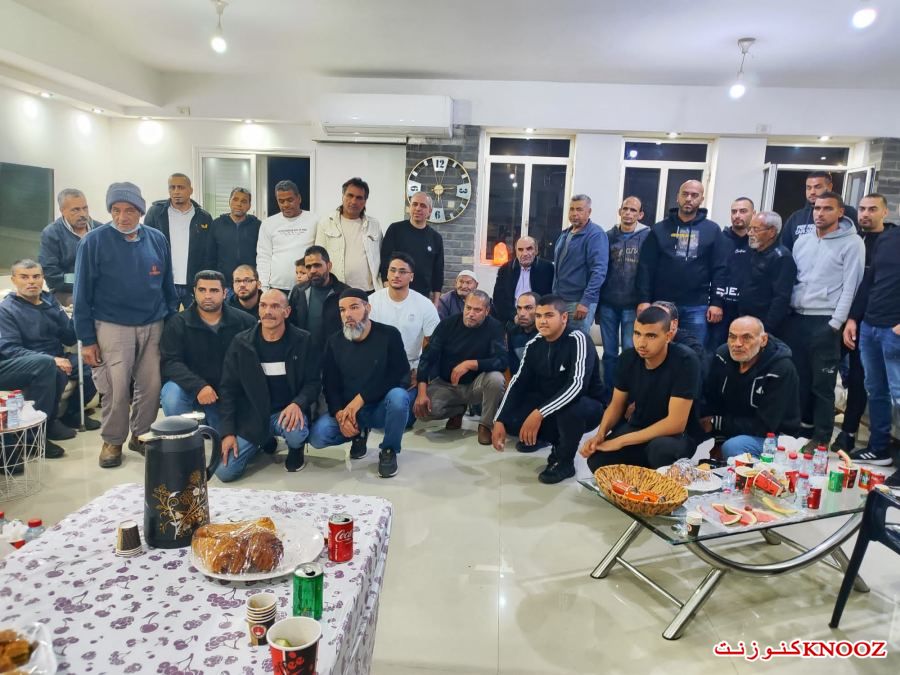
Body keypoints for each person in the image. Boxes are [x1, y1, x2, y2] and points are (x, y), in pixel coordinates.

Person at [73, 182, 178, 468]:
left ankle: (141, 435)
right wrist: (87, 340)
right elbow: (81, 295)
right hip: (112, 326)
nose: (122, 217)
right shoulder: (93, 242)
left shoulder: (157, 239)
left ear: (141, 211)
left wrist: (170, 322)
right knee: (116, 389)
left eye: (129, 210)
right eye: (116, 210)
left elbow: (167, 285)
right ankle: (113, 440)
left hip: (153, 324)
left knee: (151, 386)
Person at [493, 295, 606, 484]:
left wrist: (538, 414)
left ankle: (564, 461)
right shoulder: (534, 344)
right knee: (511, 417)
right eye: (538, 316)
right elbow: (518, 382)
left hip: (587, 405)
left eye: (549, 315)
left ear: (564, 318)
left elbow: (577, 386)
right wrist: (499, 419)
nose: (542, 321)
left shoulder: (578, 339)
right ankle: (545, 439)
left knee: (571, 411)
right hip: (550, 402)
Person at [783, 192, 864, 452]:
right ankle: (799, 430)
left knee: (823, 384)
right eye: (817, 208)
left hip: (826, 319)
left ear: (840, 212)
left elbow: (851, 287)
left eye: (827, 208)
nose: (820, 213)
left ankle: (821, 436)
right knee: (799, 380)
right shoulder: (803, 241)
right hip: (798, 317)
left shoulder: (852, 243)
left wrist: (835, 323)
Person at [580, 306, 702, 471]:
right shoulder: (627, 358)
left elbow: (676, 424)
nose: (641, 343)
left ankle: (661, 477)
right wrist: (600, 435)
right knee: (598, 460)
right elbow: (616, 405)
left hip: (678, 436)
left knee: (659, 451)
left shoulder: (686, 360)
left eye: (651, 336)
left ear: (668, 336)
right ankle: (643, 474)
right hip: (640, 425)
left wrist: (621, 440)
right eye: (637, 334)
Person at [0, 259, 100, 456]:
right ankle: (33, 437)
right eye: (24, 277)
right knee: (50, 367)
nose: (31, 282)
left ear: (43, 278)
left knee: (91, 362)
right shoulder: (6, 310)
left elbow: (69, 337)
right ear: (13, 280)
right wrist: (52, 360)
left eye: (36, 276)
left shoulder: (49, 301)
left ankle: (71, 414)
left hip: (54, 357)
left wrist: (80, 316)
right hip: (20, 362)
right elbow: (10, 349)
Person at [217, 290, 320, 480]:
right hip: (253, 416)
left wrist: (298, 403)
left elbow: (313, 383)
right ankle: (263, 440)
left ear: (287, 312)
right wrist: (228, 432)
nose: (268, 312)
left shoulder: (303, 340)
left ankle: (295, 448)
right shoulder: (241, 343)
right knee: (225, 472)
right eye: (263, 306)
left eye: (275, 306)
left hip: (287, 413)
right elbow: (228, 389)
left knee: (296, 433)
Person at [309, 289, 411, 478]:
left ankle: (389, 450)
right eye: (342, 310)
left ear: (368, 308)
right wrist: (340, 415)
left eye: (354, 307)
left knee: (399, 397)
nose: (347, 314)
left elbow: (399, 375)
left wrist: (361, 399)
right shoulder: (334, 342)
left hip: (380, 407)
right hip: (349, 412)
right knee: (318, 437)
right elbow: (330, 384)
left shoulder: (389, 335)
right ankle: (358, 434)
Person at [833, 193, 897, 453]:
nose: (865, 214)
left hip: (889, 328)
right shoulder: (882, 239)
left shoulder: (888, 238)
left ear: (885, 212)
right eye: (862, 209)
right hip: (862, 322)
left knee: (894, 392)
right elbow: (866, 283)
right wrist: (851, 318)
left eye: (872, 209)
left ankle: (866, 441)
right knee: (872, 388)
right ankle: (877, 448)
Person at [636, 180, 729, 348]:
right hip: (662, 304)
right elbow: (645, 267)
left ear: (701, 199)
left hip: (697, 306)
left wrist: (717, 302)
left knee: (693, 352)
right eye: (685, 194)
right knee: (657, 349)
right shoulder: (659, 229)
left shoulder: (712, 230)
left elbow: (720, 269)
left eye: (694, 195)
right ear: (677, 197)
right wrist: (644, 300)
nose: (689, 198)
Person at [160, 270, 256, 431]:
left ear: (225, 293)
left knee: (224, 438)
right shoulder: (177, 323)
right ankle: (185, 436)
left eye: (214, 290)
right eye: (202, 290)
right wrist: (199, 386)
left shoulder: (245, 322)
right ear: (194, 292)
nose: (207, 296)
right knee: (172, 394)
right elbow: (170, 362)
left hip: (227, 392)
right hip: (190, 387)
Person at [701, 316, 800, 459]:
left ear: (763, 340)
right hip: (734, 428)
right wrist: (719, 440)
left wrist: (717, 423)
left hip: (774, 436)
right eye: (732, 337)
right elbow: (714, 402)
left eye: (746, 338)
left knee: (733, 447)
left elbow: (765, 426)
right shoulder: (722, 356)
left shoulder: (781, 369)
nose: (737, 344)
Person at [415, 290, 506, 445]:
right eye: (468, 308)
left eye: (477, 310)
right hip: (446, 384)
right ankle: (458, 410)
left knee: (496, 379)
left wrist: (471, 364)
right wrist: (421, 393)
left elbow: (502, 361)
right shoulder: (447, 324)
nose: (471, 314)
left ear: (487, 311)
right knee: (423, 412)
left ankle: (485, 425)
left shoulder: (494, 327)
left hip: (476, 385)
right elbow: (427, 358)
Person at [598, 196, 650, 388]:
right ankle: (609, 394)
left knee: (630, 351)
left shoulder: (647, 237)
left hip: (633, 305)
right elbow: (600, 269)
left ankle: (628, 393)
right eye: (625, 209)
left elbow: (649, 270)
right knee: (609, 353)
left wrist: (645, 300)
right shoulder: (607, 236)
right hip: (608, 304)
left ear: (640, 215)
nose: (628, 213)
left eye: (633, 210)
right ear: (619, 211)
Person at [143, 173, 213, 308]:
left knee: (196, 319)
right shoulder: (156, 213)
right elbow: (146, 246)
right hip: (165, 282)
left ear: (190, 190)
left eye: (180, 187)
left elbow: (208, 252)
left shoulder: (203, 217)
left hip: (193, 283)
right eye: (172, 187)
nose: (176, 191)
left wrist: (205, 280)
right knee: (165, 319)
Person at [369, 252, 440, 386]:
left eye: (402, 271)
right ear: (387, 273)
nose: (396, 275)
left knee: (400, 398)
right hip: (376, 367)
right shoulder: (371, 302)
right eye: (393, 270)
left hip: (411, 369)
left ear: (411, 276)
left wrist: (421, 372)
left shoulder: (424, 304)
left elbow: (433, 343)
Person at [552, 194, 609, 334]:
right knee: (560, 342)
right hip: (560, 299)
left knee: (577, 342)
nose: (574, 213)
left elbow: (599, 271)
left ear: (589, 212)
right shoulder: (565, 234)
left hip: (578, 302)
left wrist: (585, 302)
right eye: (571, 209)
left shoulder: (595, 235)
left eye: (579, 209)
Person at [315, 178, 381, 293]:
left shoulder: (374, 225)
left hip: (368, 290)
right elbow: (318, 256)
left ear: (365, 201)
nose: (354, 201)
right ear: (343, 196)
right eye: (350, 195)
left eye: (359, 198)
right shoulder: (326, 223)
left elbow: (380, 255)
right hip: (337, 290)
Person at [38, 188, 104, 306]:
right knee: (85, 303)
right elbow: (52, 275)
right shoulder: (51, 233)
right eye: (75, 210)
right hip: (67, 291)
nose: (83, 214)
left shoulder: (101, 230)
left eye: (85, 208)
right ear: (62, 211)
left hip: (100, 288)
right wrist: (83, 280)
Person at [737, 211, 796, 338]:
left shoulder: (781, 257)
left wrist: (766, 329)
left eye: (755, 229)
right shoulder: (754, 252)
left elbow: (781, 298)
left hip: (764, 327)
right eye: (750, 228)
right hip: (745, 320)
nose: (750, 233)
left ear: (772, 232)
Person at [379, 193, 445, 303]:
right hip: (395, 293)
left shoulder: (436, 238)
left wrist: (436, 302)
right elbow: (385, 261)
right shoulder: (395, 229)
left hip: (422, 296)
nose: (418, 208)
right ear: (410, 207)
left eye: (423, 205)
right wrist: (388, 290)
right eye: (414, 204)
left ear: (430, 211)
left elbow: (438, 272)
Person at [708, 197, 754, 351]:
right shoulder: (720, 239)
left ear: (753, 213)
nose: (737, 215)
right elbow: (714, 272)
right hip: (721, 309)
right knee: (716, 352)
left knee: (746, 351)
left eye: (743, 211)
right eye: (734, 211)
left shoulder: (758, 242)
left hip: (748, 309)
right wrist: (716, 302)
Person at [256, 180, 318, 292]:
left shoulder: (315, 220)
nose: (286, 205)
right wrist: (263, 287)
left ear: (299, 198)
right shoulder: (268, 223)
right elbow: (263, 257)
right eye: (281, 201)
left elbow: (320, 254)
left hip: (308, 286)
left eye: (290, 200)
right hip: (276, 287)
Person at [288, 246, 349, 355]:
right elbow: (291, 324)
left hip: (335, 355)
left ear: (329, 266)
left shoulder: (344, 292)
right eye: (308, 267)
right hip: (305, 354)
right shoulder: (298, 291)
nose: (312, 270)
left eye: (317, 265)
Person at [781, 171, 859, 251]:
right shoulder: (796, 217)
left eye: (817, 187)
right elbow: (785, 248)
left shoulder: (848, 213)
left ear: (830, 187)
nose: (812, 192)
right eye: (809, 188)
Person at [492, 236, 554, 324]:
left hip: (539, 319)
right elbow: (498, 299)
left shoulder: (548, 268)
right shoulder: (505, 269)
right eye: (520, 250)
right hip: (512, 319)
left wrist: (538, 316)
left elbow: (550, 297)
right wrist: (514, 316)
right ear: (516, 252)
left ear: (536, 251)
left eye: (529, 249)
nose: (525, 253)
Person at [208, 187, 261, 288]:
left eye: (244, 201)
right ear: (229, 201)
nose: (239, 204)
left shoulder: (257, 226)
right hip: (224, 284)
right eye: (235, 199)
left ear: (249, 205)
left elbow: (262, 256)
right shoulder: (217, 224)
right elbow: (210, 256)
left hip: (249, 283)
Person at [506, 292, 538, 374]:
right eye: (519, 308)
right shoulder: (512, 332)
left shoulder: (547, 333)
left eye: (528, 308)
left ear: (539, 310)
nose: (522, 314)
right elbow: (514, 368)